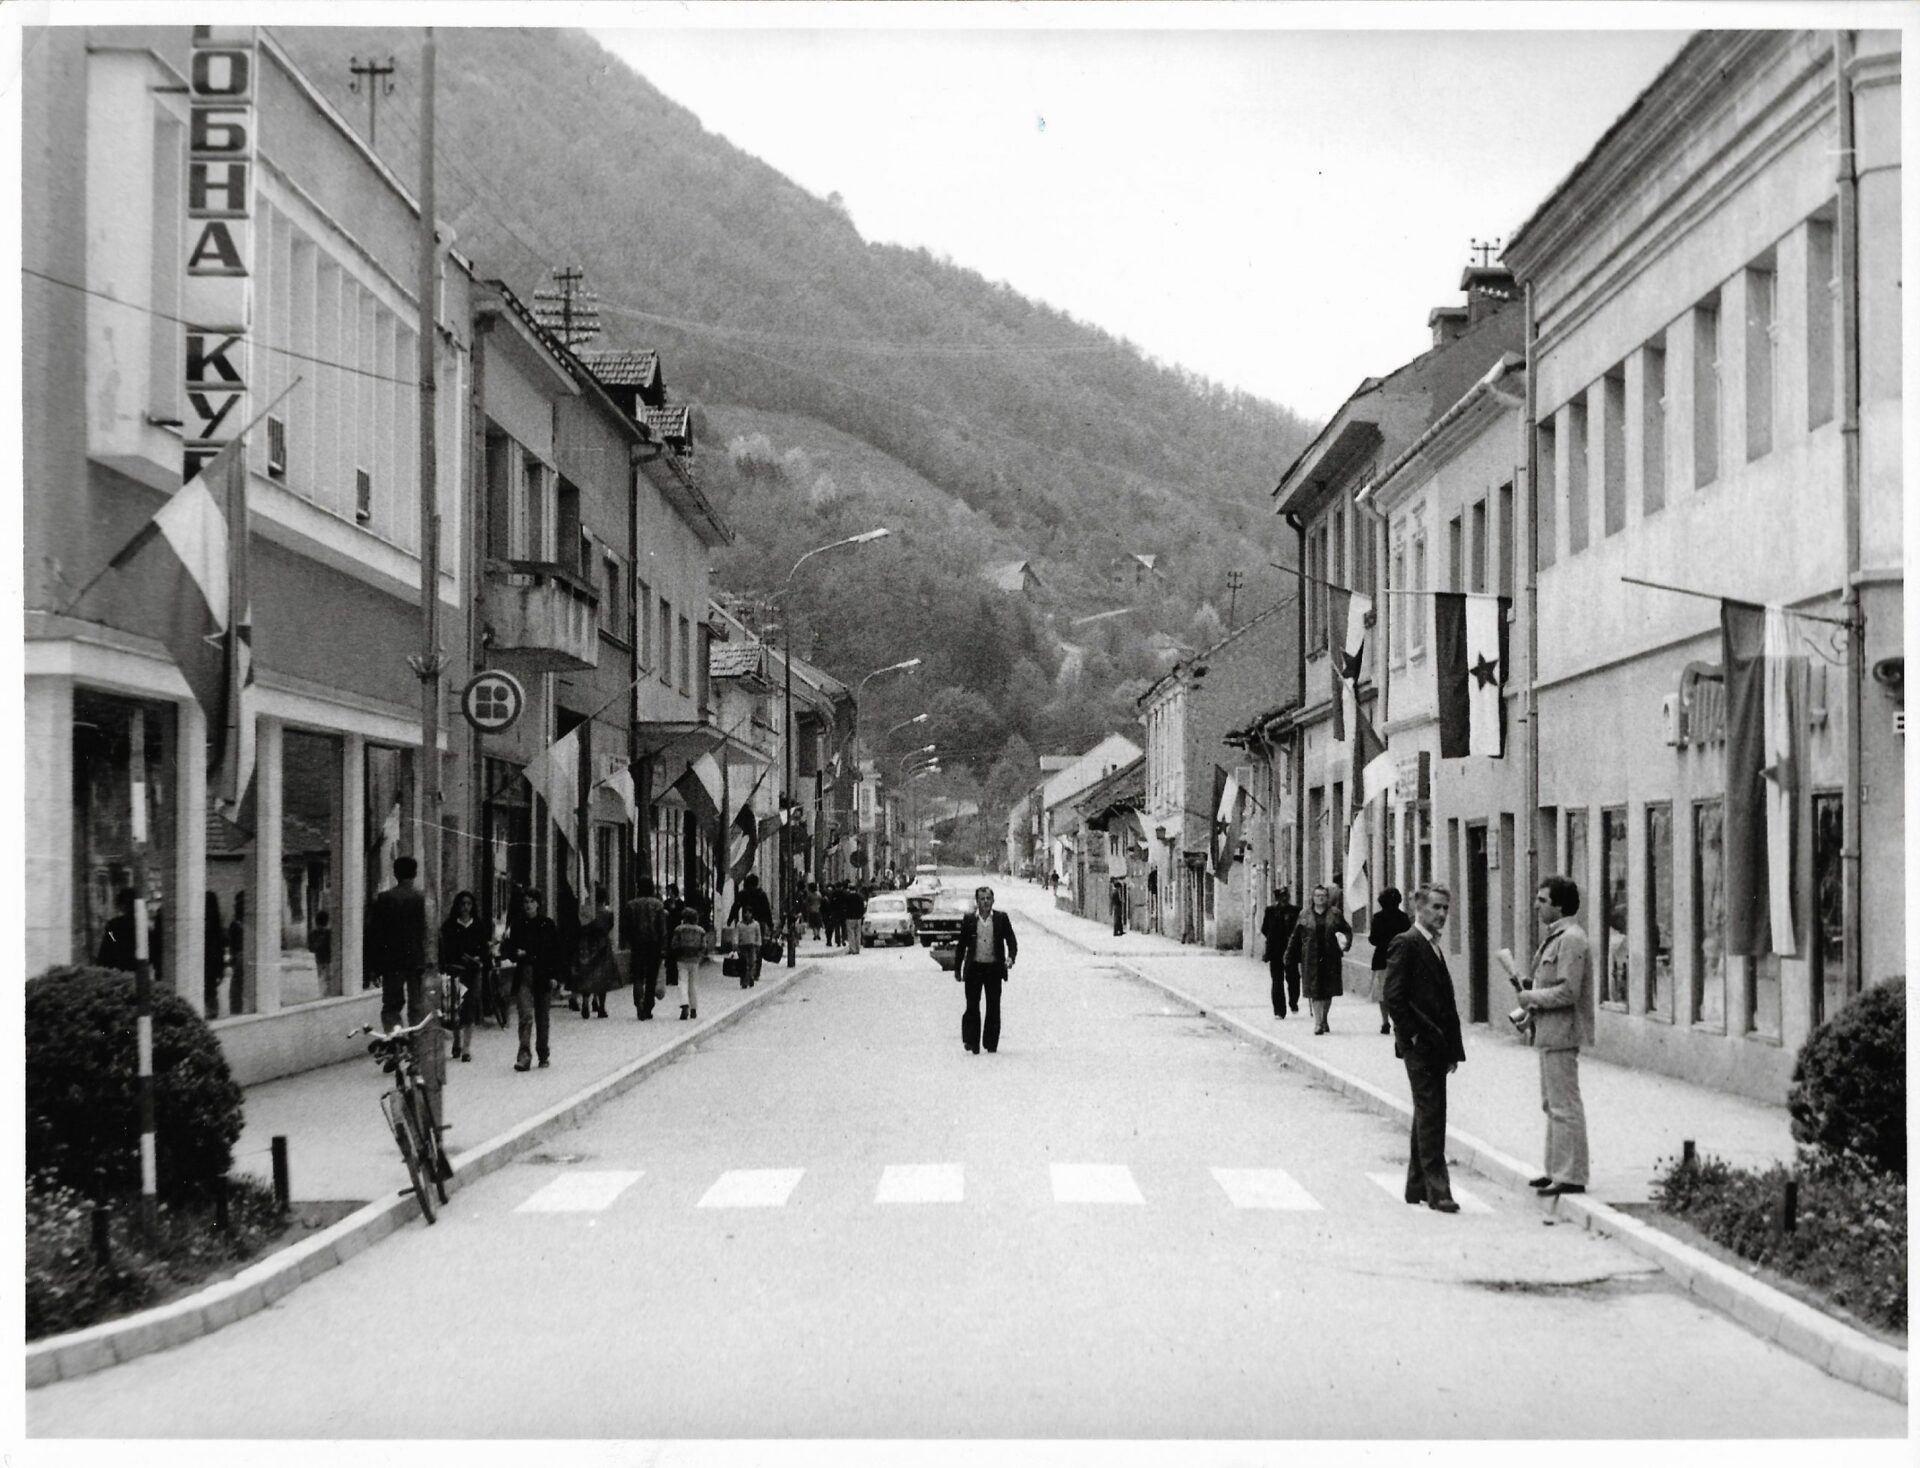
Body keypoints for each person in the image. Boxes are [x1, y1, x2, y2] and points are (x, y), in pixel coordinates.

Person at [1381, 884, 1466, 1213]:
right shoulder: (1407, 942)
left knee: (1429, 1112)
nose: (1442, 914)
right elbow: (1394, 996)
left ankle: (1416, 1185)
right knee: (1431, 1113)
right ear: (1419, 907)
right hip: (1420, 1045)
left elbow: (1444, 1002)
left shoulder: (1432, 945)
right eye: (1436, 907)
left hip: (1436, 1045)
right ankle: (1438, 1190)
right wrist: (1412, 1037)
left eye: (1445, 908)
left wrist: (1452, 1050)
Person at [1515, 876, 1594, 1198]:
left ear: (1560, 905)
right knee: (1553, 1104)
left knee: (1564, 1105)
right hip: (1550, 1031)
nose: (1536, 906)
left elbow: (1569, 991)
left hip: (1563, 1032)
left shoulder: (1571, 939)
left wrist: (1532, 997)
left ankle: (1571, 1174)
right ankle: (1555, 1170)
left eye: (1543, 900)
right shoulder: (1557, 937)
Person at [502, 888, 562, 1071]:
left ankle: (543, 1052)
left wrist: (555, 976)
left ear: (538, 904)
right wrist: (515, 953)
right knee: (525, 1016)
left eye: (531, 902)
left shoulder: (547, 924)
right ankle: (524, 1055)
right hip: (524, 975)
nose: (528, 905)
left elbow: (555, 952)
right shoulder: (518, 925)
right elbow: (509, 950)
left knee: (542, 1017)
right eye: (525, 902)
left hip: (543, 974)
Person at [368, 856, 430, 1033]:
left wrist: (374, 968)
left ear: (395, 873)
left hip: (392, 962)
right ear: (415, 873)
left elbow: (375, 935)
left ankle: (396, 1040)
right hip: (417, 961)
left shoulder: (385, 899)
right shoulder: (423, 899)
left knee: (391, 1007)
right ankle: (416, 1040)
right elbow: (430, 932)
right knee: (417, 1006)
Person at [955, 885, 1018, 1055]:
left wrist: (1010, 958)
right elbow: (961, 945)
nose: (985, 902)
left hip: (993, 969)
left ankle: (991, 1043)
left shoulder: (1001, 918)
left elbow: (1011, 941)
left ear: (993, 901)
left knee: (993, 1006)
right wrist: (957, 968)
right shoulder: (969, 920)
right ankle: (972, 1041)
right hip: (974, 969)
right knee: (972, 1006)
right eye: (982, 899)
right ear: (977, 902)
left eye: (988, 899)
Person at [1284, 884, 1352, 1034]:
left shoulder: (1335, 913)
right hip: (1311, 956)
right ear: (1313, 898)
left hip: (1330, 956)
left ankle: (1324, 1018)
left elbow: (1347, 930)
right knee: (1314, 990)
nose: (1320, 898)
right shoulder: (1304, 914)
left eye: (1323, 896)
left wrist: (1345, 943)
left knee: (1328, 990)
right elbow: (1296, 935)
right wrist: (1289, 954)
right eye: (1317, 895)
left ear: (1327, 898)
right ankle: (1318, 1023)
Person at [439, 890, 489, 1062]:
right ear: (457, 906)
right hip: (455, 971)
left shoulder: (478, 926)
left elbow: (484, 949)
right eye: (463, 904)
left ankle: (466, 1047)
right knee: (455, 1007)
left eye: (469, 904)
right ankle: (457, 1040)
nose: (466, 907)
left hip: (472, 972)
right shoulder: (449, 926)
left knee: (469, 1007)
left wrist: (479, 958)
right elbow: (445, 949)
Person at [622, 877, 669, 1020]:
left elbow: (626, 927)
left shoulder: (631, 905)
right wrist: (663, 947)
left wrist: (630, 941)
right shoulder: (658, 905)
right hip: (654, 945)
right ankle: (648, 1006)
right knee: (651, 977)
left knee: (638, 975)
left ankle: (639, 1002)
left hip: (637, 944)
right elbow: (662, 929)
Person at [1368, 888, 1413, 1036]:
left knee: (1383, 992)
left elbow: (1373, 939)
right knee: (1399, 991)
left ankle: (1385, 1021)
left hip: (1381, 958)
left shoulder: (1377, 918)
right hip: (1400, 958)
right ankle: (1396, 1022)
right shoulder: (1404, 918)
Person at [571, 884, 619, 1020]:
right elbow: (609, 927)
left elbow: (580, 927)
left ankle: (586, 1000)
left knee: (587, 974)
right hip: (602, 945)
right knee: (603, 976)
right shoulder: (608, 914)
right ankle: (601, 1007)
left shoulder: (586, 912)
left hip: (586, 944)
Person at [1260, 886, 1301, 1018]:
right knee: (1277, 981)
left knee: (1294, 979)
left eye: (1286, 896)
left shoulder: (1296, 911)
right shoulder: (1270, 911)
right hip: (1275, 951)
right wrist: (1273, 939)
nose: (1284, 899)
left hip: (1291, 951)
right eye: (1281, 897)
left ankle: (1293, 1002)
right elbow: (1264, 929)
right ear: (1277, 898)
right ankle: (1279, 1011)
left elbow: (1299, 929)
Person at [728, 875, 774, 986]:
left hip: (746, 923)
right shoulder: (761, 894)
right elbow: (767, 910)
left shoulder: (744, 893)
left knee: (744, 948)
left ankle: (747, 972)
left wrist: (730, 919)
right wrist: (770, 924)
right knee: (758, 948)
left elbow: (735, 906)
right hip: (760, 923)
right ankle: (755, 972)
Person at [670, 906, 708, 1020]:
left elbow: (674, 944)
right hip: (695, 960)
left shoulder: (678, 929)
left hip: (682, 959)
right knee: (693, 984)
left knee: (682, 982)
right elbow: (703, 946)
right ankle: (693, 1009)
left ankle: (684, 1004)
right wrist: (699, 955)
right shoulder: (701, 931)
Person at [97, 888, 140, 972]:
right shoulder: (142, 924)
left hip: (117, 965)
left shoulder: (114, 924)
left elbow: (110, 940)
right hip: (134, 965)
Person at [309, 909, 335, 997]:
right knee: (329, 978)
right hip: (329, 958)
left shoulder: (313, 933)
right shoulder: (329, 933)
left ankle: (323, 994)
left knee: (321, 978)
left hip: (319, 958)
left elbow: (311, 948)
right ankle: (328, 993)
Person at [846, 883, 867, 953]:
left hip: (850, 917)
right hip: (858, 918)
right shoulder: (860, 897)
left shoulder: (847, 897)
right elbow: (862, 907)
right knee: (858, 934)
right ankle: (858, 948)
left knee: (851, 934)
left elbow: (845, 907)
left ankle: (852, 949)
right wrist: (861, 915)